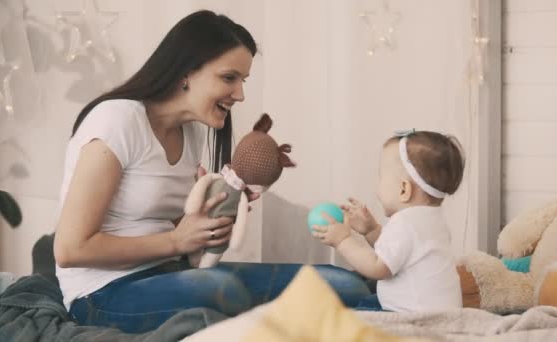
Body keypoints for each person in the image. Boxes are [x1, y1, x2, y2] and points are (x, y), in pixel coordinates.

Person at [53, 10, 370, 334]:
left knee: (340, 283)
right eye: (229, 77)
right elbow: (70, 249)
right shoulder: (116, 121)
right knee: (225, 292)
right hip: (101, 294)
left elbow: (180, 230)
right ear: (186, 72)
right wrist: (177, 241)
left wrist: (214, 219)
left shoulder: (192, 131)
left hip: (172, 273)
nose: (240, 94)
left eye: (243, 81)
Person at [312, 130, 465, 312]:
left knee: (352, 315)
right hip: (439, 311)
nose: (377, 186)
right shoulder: (433, 219)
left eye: (381, 177)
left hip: (412, 316)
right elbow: (400, 253)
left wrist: (343, 241)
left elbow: (378, 267)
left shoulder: (405, 223)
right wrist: (371, 230)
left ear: (403, 189)